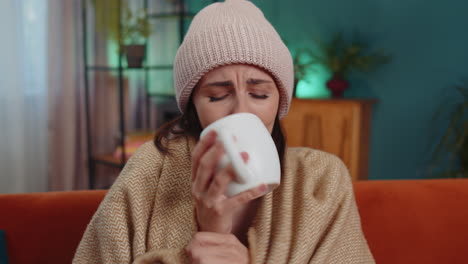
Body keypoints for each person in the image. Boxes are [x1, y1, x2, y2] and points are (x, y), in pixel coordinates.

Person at [73, 0, 374, 263]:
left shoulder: (321, 180)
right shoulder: (151, 170)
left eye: (259, 95)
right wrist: (210, 230)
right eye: (216, 96)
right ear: (194, 107)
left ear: (280, 101)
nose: (242, 111)